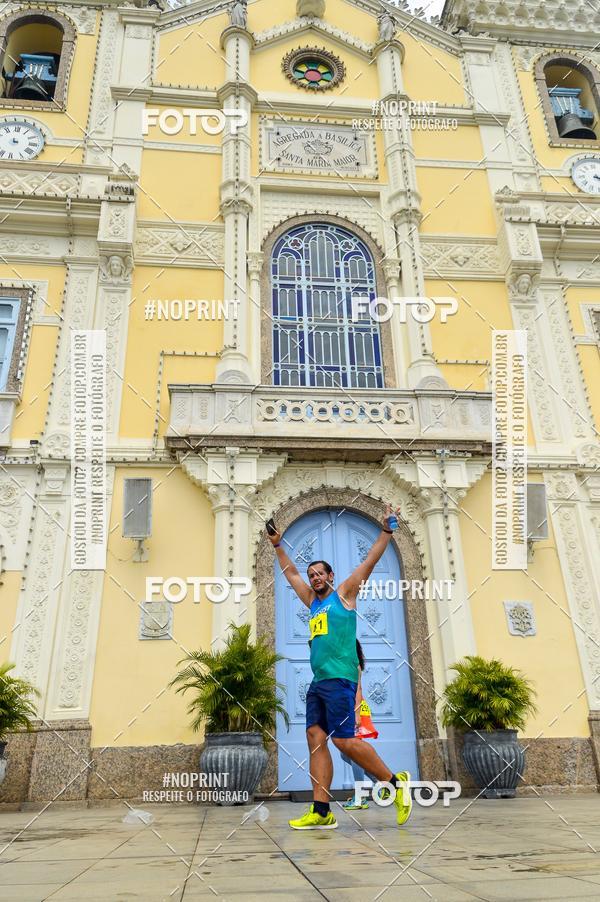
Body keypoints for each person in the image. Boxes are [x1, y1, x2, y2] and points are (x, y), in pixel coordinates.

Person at [267, 504, 412, 830]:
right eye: (312, 575)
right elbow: (290, 573)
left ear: (330, 576)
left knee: (343, 741)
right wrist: (278, 545)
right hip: (319, 683)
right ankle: (321, 811)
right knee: (315, 738)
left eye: (320, 573)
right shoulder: (312, 602)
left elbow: (369, 562)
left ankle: (395, 783)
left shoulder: (344, 594)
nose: (315, 578)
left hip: (341, 679)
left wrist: (386, 531)